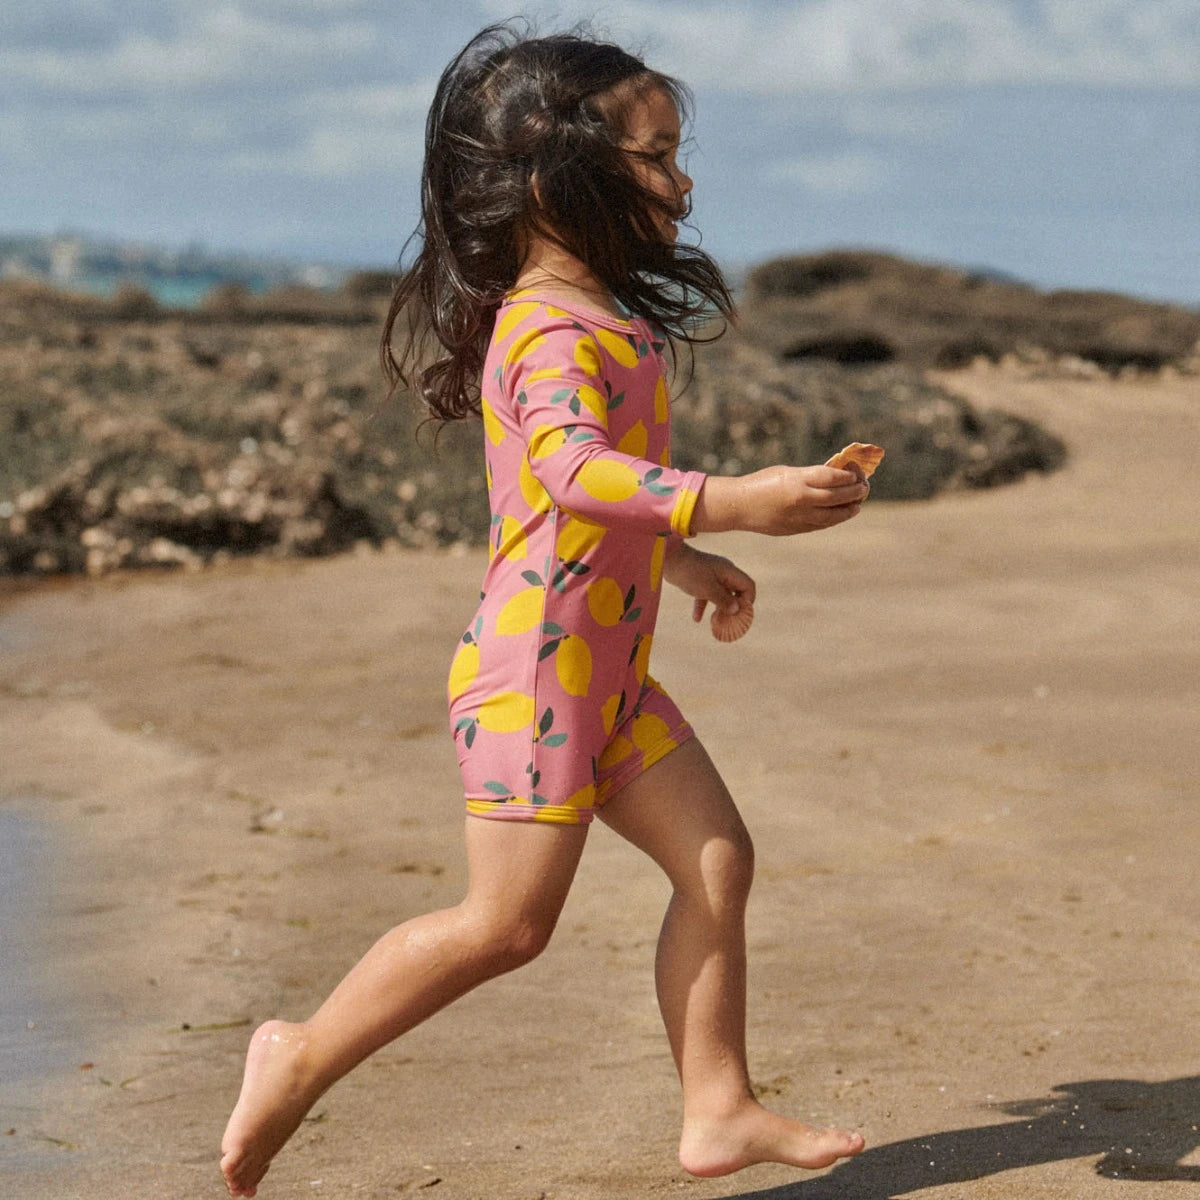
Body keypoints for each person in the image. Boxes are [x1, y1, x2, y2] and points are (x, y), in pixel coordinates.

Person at [220, 22, 869, 1197]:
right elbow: (572, 470)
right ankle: (299, 1051)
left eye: (675, 155)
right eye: (655, 157)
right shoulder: (547, 327)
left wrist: (681, 561)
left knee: (716, 862)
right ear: (551, 180)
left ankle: (717, 1105)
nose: (681, 183)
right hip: (534, 682)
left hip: (605, 679)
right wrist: (731, 501)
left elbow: (573, 505)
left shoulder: (605, 316)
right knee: (506, 927)